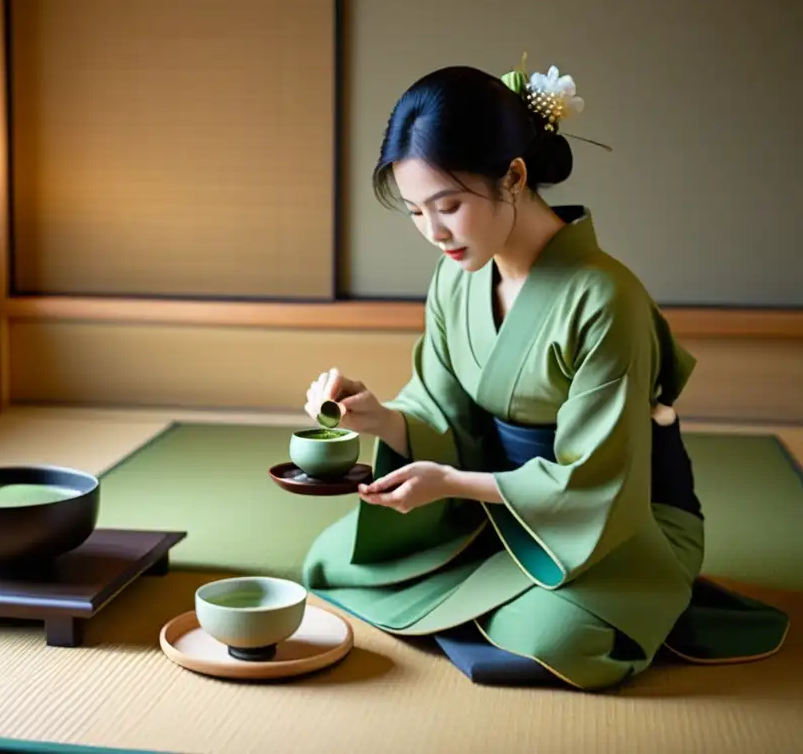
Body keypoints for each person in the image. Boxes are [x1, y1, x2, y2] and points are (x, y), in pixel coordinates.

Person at [300, 60, 789, 691]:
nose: (434, 233)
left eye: (448, 205)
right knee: (329, 561)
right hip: (493, 499)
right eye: (417, 212)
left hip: (620, 521)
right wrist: (382, 418)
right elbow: (445, 409)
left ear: (514, 177)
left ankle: (535, 606)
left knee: (561, 642)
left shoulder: (607, 298)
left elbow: (600, 478)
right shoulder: (456, 276)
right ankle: (484, 607)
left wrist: (450, 481)